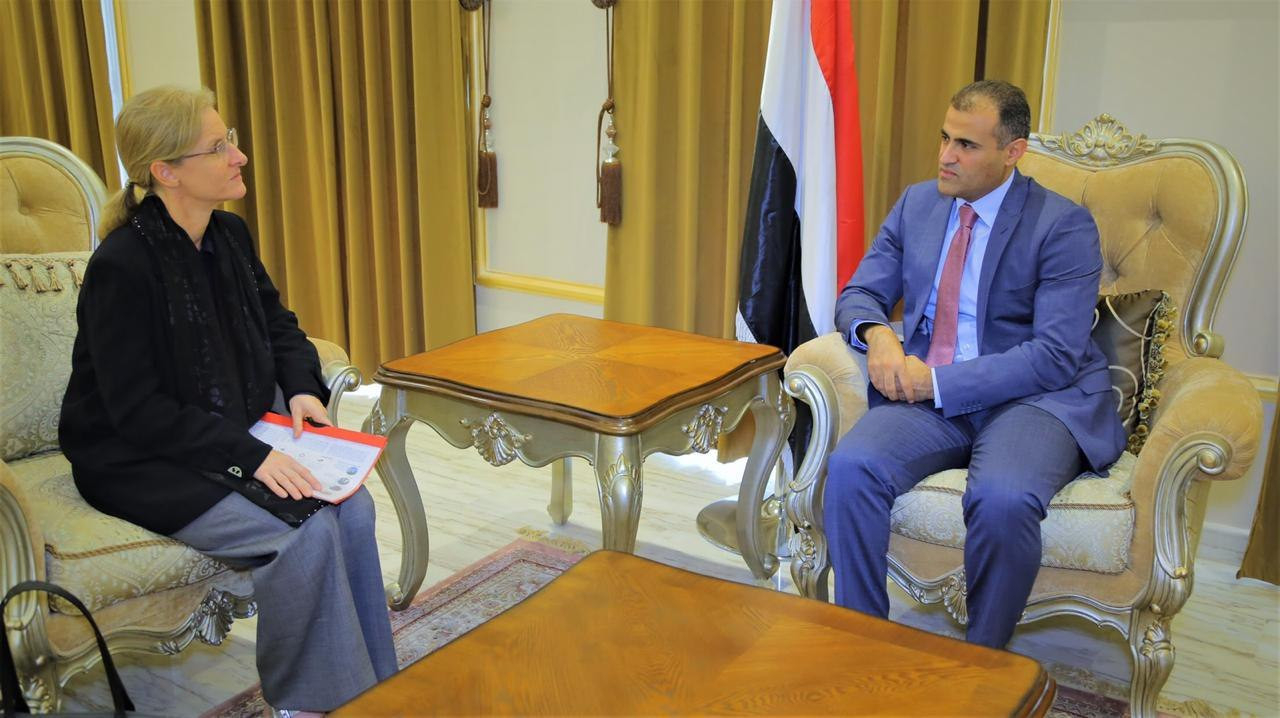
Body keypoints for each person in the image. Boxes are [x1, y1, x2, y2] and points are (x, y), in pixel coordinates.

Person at [58, 87, 396, 714]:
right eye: (218, 147)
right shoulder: (121, 267)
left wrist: (302, 388)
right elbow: (137, 412)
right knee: (305, 533)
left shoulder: (230, 234)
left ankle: (376, 691)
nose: (239, 156)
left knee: (354, 510)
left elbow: (279, 325)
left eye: (230, 138)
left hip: (231, 434)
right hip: (138, 459)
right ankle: (307, 704)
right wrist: (251, 456)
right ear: (166, 172)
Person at [826, 80, 1125, 648]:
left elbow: (1055, 355)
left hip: (1032, 401)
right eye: (944, 138)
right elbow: (860, 292)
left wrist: (936, 381)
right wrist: (878, 336)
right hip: (928, 397)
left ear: (1013, 152)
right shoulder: (918, 204)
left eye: (966, 145)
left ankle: (982, 668)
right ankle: (861, 648)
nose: (946, 156)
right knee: (851, 468)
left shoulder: (1062, 225)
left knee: (1004, 499)